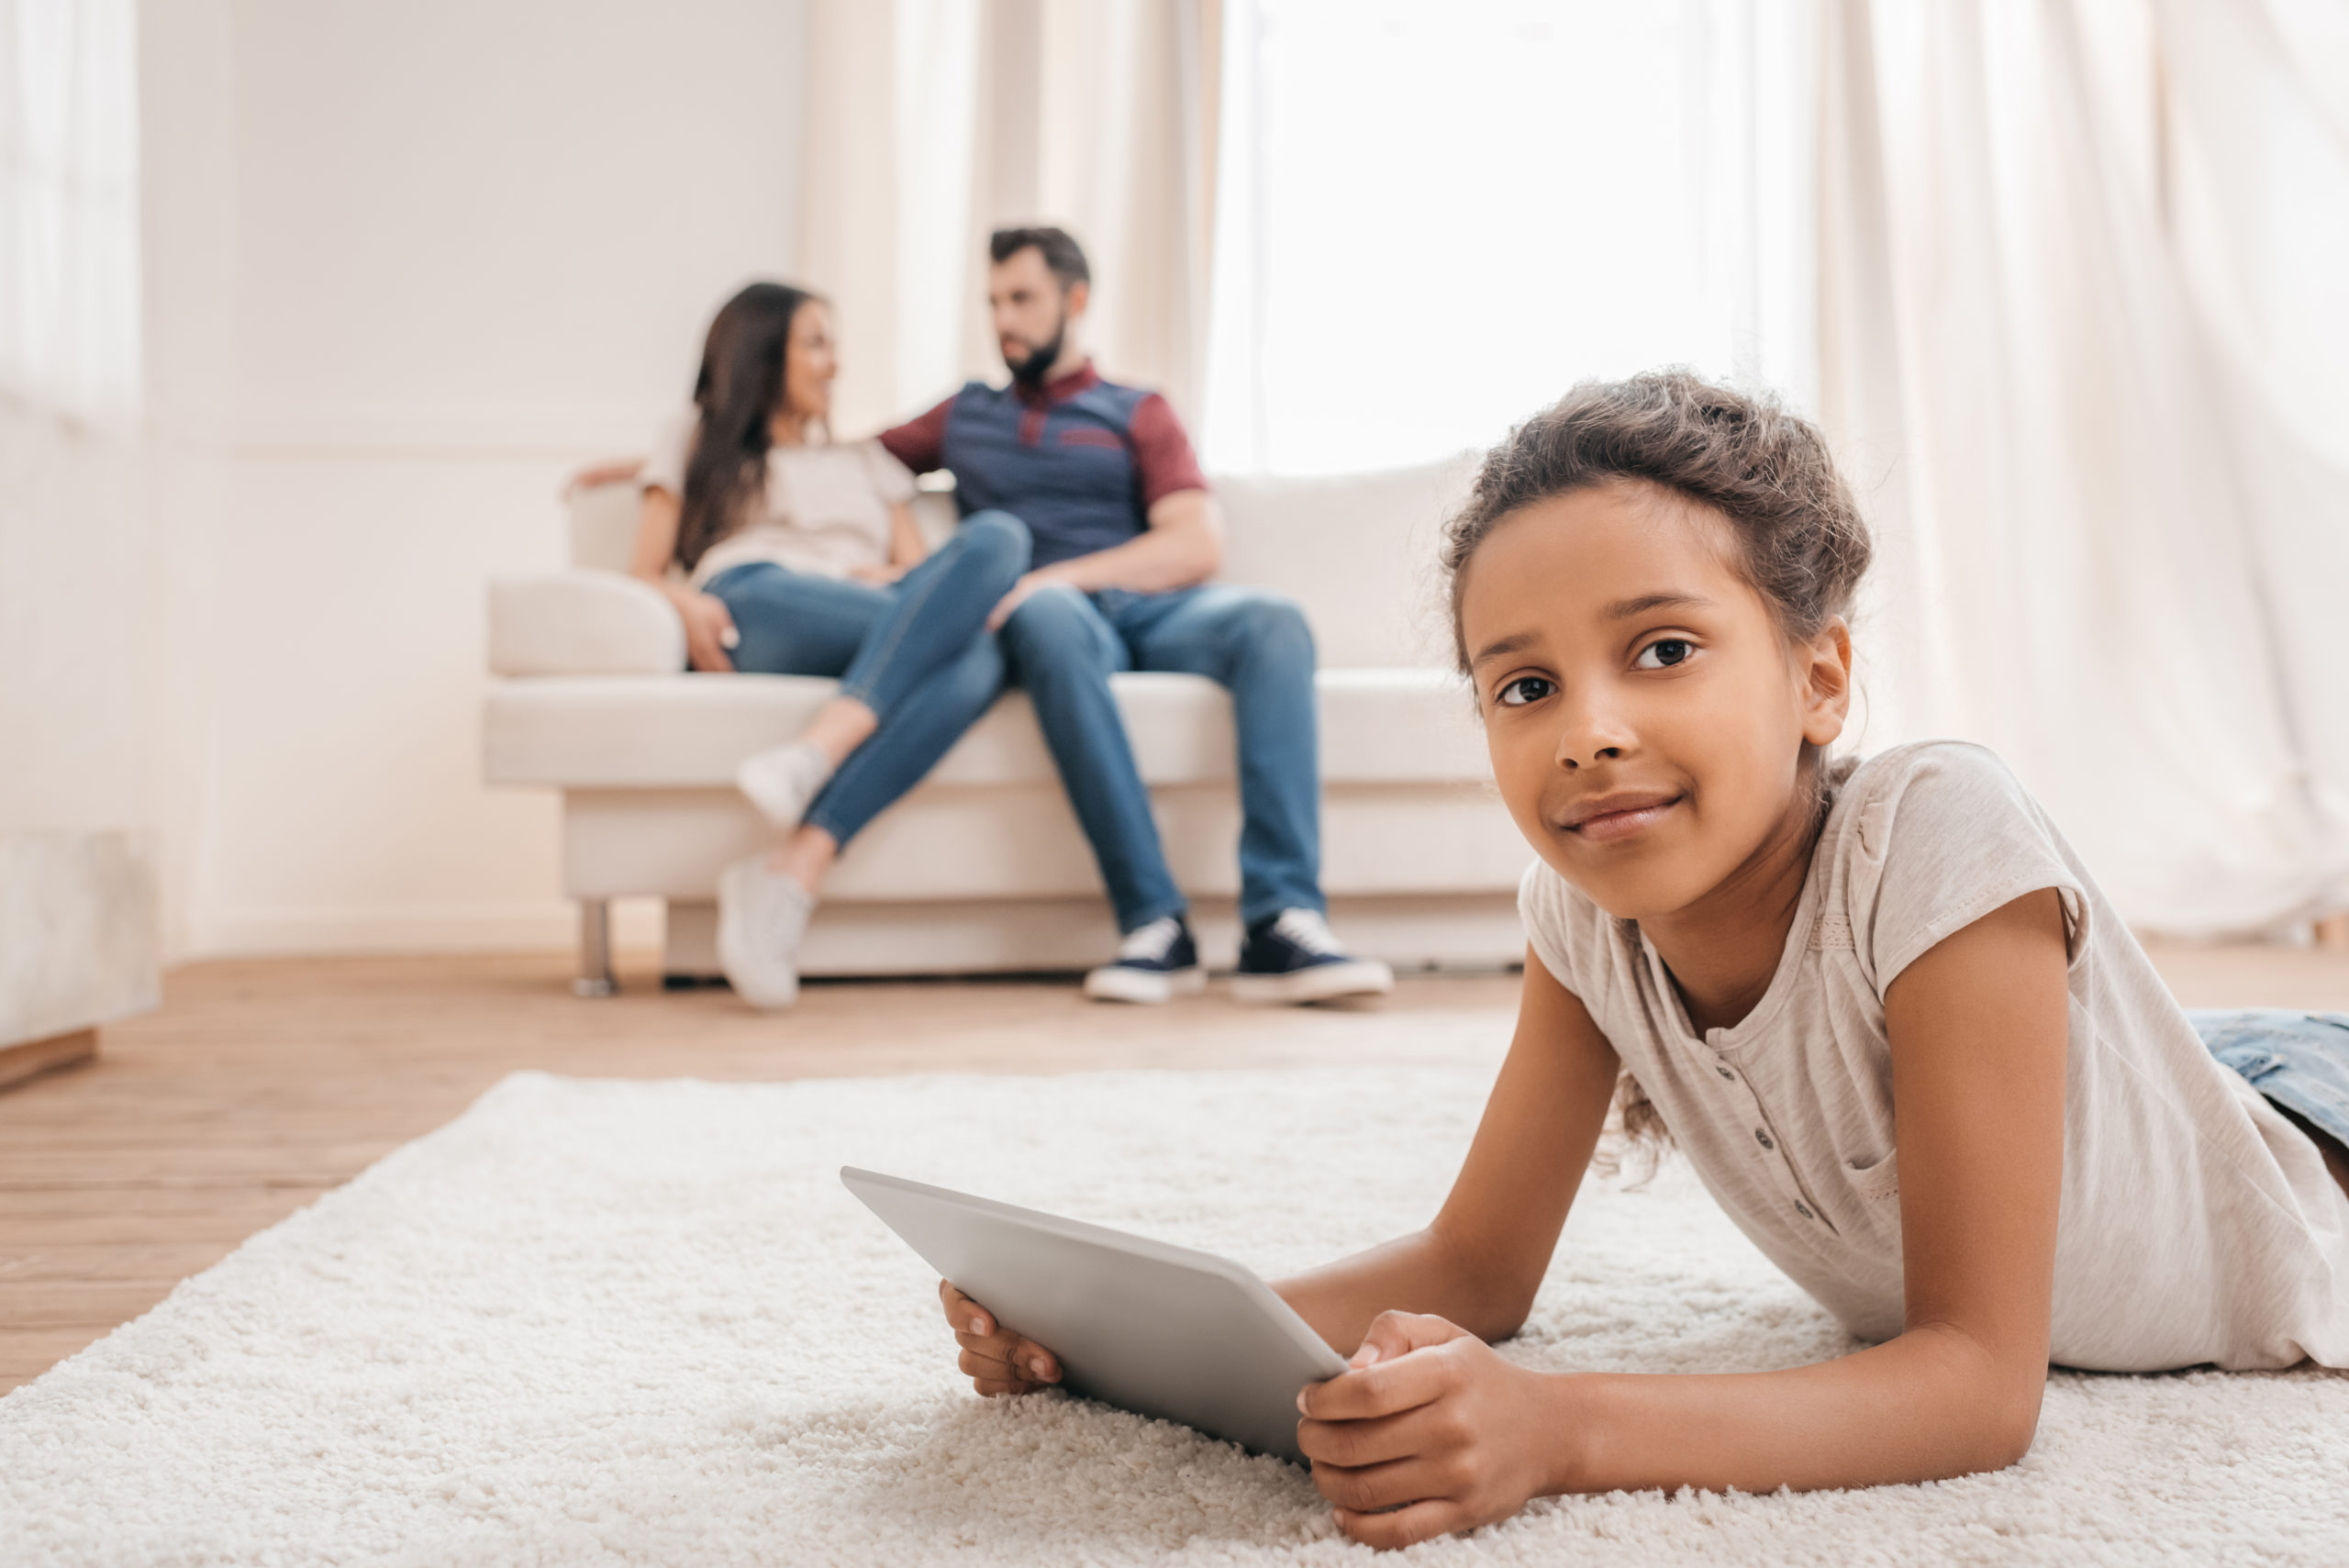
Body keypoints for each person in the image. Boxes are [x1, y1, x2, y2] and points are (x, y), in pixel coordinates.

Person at [934, 371, 2349, 1548]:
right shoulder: (1581, 922)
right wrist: (1112, 1343)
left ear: (1820, 679)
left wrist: (1564, 1427)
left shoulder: (1939, 830)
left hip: (2306, 1133)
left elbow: (1979, 1386)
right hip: (2174, 1073)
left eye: (1662, 648)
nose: (1587, 730)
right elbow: (1477, 1262)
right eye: (1526, 686)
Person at [878, 226, 1392, 1006]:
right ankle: (1155, 923)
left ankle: (1281, 920)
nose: (1004, 320)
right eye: (993, 302)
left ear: (1075, 300)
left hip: (1150, 612)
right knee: (1047, 615)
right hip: (1055, 628)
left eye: (1022, 298)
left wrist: (1061, 575)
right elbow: (844, 471)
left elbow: (1194, 543)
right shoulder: (964, 414)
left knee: (1275, 622)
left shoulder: (1138, 409)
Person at [627, 281, 1030, 1008]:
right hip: (758, 599)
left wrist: (896, 577)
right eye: (815, 343)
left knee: (996, 566)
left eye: (835, 344)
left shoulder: (868, 462)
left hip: (869, 609)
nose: (834, 363)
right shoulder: (692, 438)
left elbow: (920, 575)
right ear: (761, 354)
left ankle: (793, 861)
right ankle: (815, 758)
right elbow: (642, 574)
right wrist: (681, 601)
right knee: (971, 641)